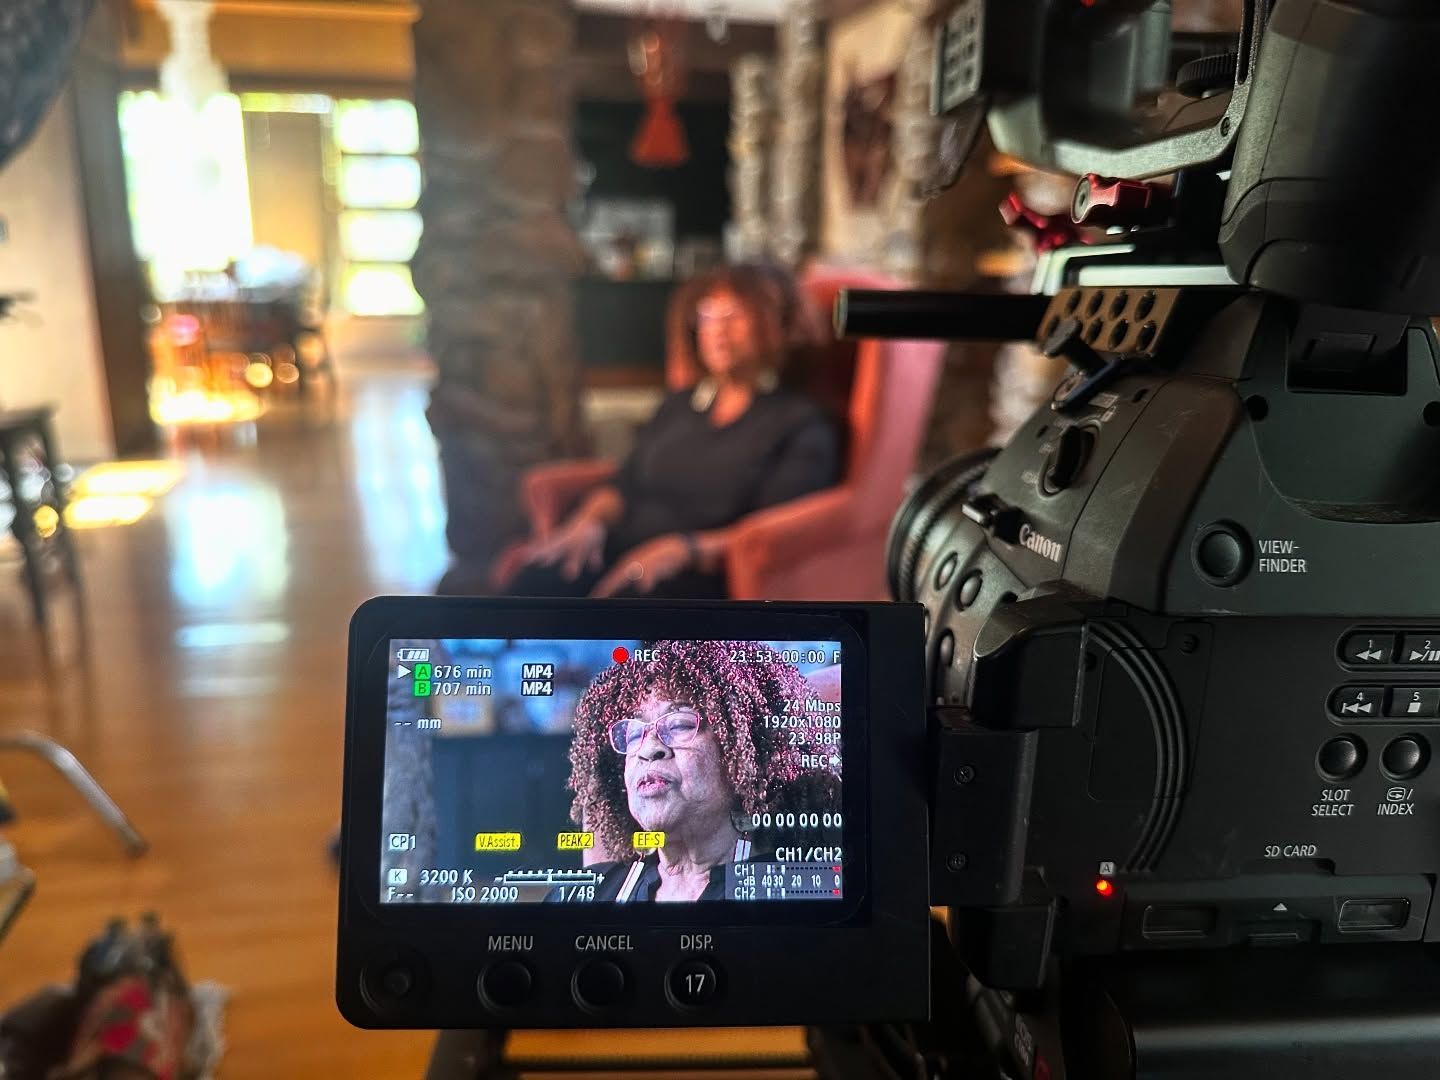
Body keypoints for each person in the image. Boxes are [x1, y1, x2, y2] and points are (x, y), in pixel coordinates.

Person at [505, 263, 840, 599]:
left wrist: (681, 550)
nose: (718, 329)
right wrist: (586, 523)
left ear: (778, 325)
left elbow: (770, 533)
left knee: (630, 605)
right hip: (620, 546)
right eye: (707, 314)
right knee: (535, 581)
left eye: (735, 314)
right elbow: (625, 482)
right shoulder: (679, 405)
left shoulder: (800, 423)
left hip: (699, 569)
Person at [564, 640, 838, 902]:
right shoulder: (585, 895)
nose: (649, 748)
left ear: (745, 751)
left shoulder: (805, 891)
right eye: (634, 733)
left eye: (679, 724)